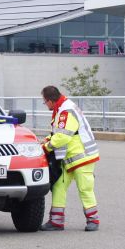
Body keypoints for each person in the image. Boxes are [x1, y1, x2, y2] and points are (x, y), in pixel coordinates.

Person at [40, 85, 100, 231]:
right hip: (70, 158)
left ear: (50, 101)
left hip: (82, 157)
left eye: (44, 102)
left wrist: (46, 147)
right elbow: (59, 133)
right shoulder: (62, 108)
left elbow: (62, 137)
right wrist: (47, 139)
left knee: (85, 188)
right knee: (58, 186)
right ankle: (56, 221)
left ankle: (93, 220)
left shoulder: (66, 111)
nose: (45, 104)